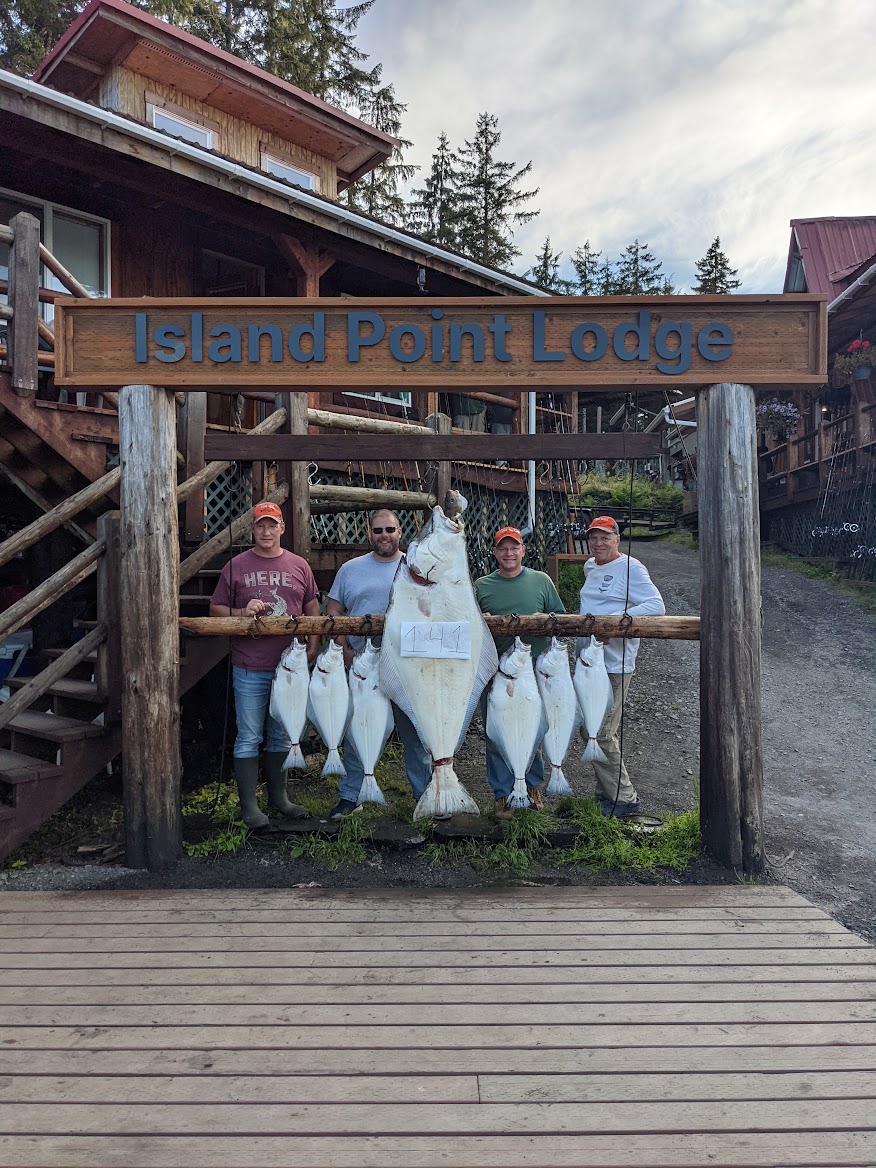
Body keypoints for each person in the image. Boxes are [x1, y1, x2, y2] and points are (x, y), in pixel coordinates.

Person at [209, 500, 320, 828]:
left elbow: (312, 605)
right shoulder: (236, 566)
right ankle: (249, 806)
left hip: (291, 668)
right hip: (250, 665)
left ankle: (279, 799)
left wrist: (314, 643)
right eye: (261, 526)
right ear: (252, 530)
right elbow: (216, 610)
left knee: (282, 735)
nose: (267, 531)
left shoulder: (299, 565)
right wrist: (242, 612)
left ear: (282, 528)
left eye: (272, 525)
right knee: (249, 735)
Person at [324, 508, 431, 818]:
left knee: (416, 736)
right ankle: (350, 796)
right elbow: (333, 611)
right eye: (378, 530)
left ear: (400, 533)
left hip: (407, 665)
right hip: (363, 665)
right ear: (369, 534)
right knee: (358, 730)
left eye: (390, 529)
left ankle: (425, 796)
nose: (384, 535)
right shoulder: (350, 569)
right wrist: (343, 646)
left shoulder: (417, 567)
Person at [475, 526, 565, 819]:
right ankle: (503, 793)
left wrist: (546, 619)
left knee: (532, 729)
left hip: (534, 671)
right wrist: (481, 619)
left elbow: (562, 619)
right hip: (495, 670)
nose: (509, 553)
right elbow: (469, 624)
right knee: (496, 733)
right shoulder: (481, 585)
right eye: (503, 548)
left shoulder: (541, 581)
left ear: (523, 551)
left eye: (514, 547)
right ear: (495, 552)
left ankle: (531, 786)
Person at [578, 515, 665, 818]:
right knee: (588, 728)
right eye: (594, 537)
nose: (598, 543)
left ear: (617, 539)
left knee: (600, 732)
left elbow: (656, 606)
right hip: (587, 661)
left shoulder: (631, 567)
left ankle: (625, 798)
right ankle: (606, 793)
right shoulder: (590, 566)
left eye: (605, 537)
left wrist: (614, 627)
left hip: (614, 664)